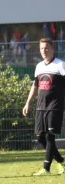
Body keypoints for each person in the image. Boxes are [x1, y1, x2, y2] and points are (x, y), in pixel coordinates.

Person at [22, 38, 65, 175]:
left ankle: (46, 168)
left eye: (46, 48)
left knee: (50, 136)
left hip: (55, 106)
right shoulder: (39, 66)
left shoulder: (60, 65)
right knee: (40, 137)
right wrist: (28, 103)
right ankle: (61, 161)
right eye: (41, 48)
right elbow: (35, 86)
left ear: (52, 49)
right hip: (41, 106)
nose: (44, 51)